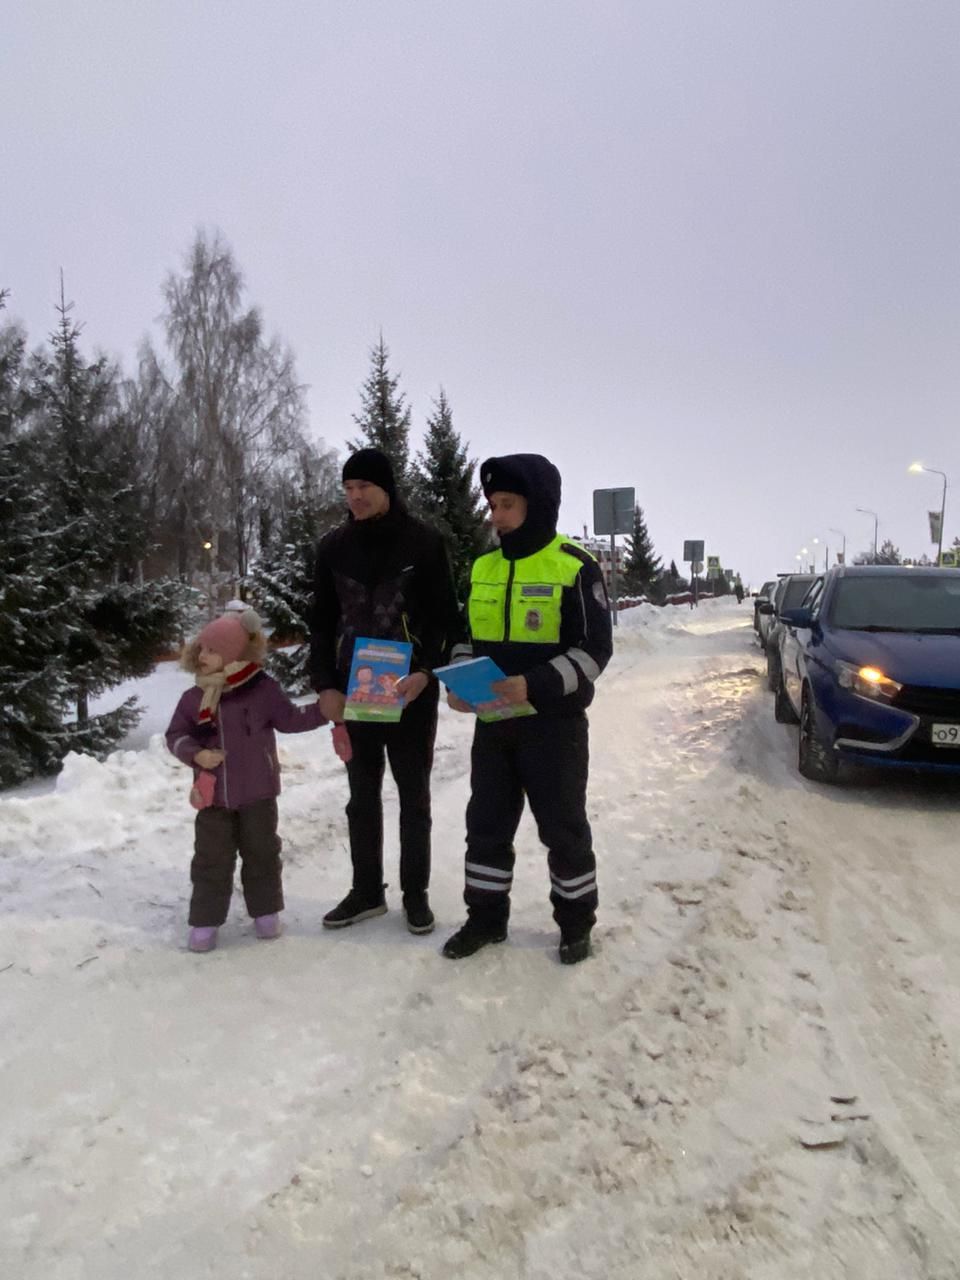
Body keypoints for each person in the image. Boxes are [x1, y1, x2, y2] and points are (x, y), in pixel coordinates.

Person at [442, 454, 613, 965]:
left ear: (537, 505)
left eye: (507, 504)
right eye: (492, 504)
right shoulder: (482, 567)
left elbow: (593, 652)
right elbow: (463, 637)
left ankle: (576, 922)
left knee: (562, 828)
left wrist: (532, 685)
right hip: (494, 727)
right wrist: (459, 681)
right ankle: (486, 919)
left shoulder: (574, 565)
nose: (495, 515)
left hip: (554, 729)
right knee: (486, 825)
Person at [309, 447, 463, 935]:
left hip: (409, 688)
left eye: (364, 489)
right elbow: (320, 622)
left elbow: (444, 617)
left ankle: (415, 894)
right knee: (361, 795)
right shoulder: (333, 548)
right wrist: (324, 685)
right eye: (348, 490)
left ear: (386, 490)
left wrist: (429, 673)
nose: (355, 497)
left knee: (414, 794)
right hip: (357, 689)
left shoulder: (423, 543)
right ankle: (366, 891)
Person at [166, 609, 327, 953]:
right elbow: (176, 734)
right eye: (201, 649)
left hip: (258, 792)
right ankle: (205, 921)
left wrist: (325, 711)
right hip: (213, 797)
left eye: (212, 650)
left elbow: (291, 719)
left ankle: (266, 913)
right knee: (211, 858)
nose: (202, 656)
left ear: (235, 654)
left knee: (263, 853)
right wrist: (195, 754)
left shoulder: (262, 690)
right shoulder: (195, 697)